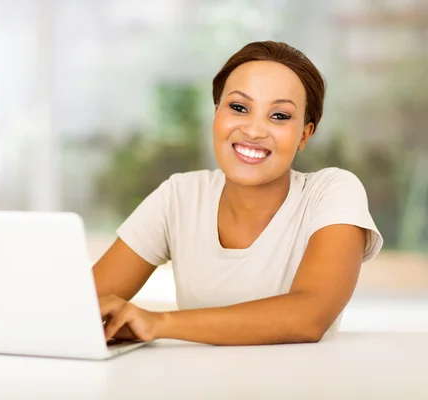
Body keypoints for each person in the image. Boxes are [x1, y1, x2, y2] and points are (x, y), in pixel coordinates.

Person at [93, 41, 383, 346]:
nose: (254, 130)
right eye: (239, 107)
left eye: (280, 116)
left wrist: (158, 322)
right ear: (217, 114)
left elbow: (309, 316)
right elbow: (81, 307)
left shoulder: (332, 192)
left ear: (304, 135)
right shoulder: (179, 197)